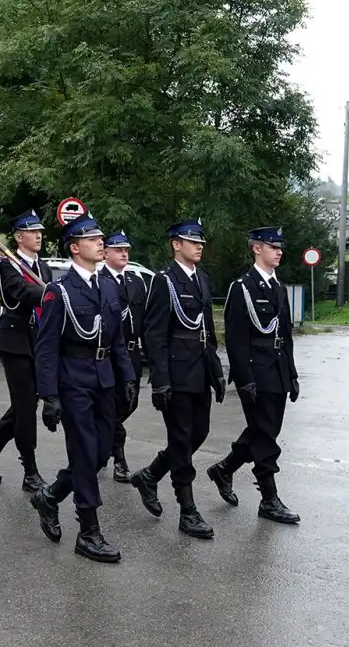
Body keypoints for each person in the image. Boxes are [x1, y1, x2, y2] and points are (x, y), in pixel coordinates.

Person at [29, 215, 136, 564]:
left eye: (100, 238)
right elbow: (46, 347)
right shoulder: (58, 291)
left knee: (101, 453)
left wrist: (128, 377)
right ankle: (88, 532)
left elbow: (117, 339)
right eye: (92, 239)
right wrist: (49, 395)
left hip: (104, 378)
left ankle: (50, 496)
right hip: (73, 380)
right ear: (75, 248)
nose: (100, 243)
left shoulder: (108, 286)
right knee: (85, 452)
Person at [126, 219, 224, 539]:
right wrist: (160, 381)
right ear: (176, 245)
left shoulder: (202, 279)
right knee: (181, 439)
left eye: (201, 242)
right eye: (192, 242)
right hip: (176, 373)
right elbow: (154, 335)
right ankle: (187, 510)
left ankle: (150, 475)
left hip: (200, 371)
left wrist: (216, 371)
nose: (199, 247)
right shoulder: (164, 281)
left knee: (200, 433)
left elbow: (207, 331)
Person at [206, 226, 300, 525]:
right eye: (273, 246)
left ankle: (224, 469)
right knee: (265, 436)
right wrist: (244, 377)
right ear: (256, 249)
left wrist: (292, 374)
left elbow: (285, 334)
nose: (279, 251)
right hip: (257, 370)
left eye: (280, 247)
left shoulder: (278, 287)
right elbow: (236, 338)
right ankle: (269, 499)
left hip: (278, 368)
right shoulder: (243, 287)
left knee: (265, 431)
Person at [0, 210, 54, 490]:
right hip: (16, 341)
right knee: (26, 407)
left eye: (40, 232)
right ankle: (30, 471)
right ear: (19, 237)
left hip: (38, 340)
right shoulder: (8, 265)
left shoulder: (43, 267)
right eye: (32, 232)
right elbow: (19, 292)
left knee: (25, 404)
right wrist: (51, 293)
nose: (39, 236)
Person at [98, 229, 147, 483]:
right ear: (105, 253)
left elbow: (145, 321)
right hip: (109, 355)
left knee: (130, 403)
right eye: (118, 250)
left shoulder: (135, 281)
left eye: (126, 250)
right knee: (112, 406)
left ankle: (102, 438)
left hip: (132, 352)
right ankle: (119, 458)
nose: (124, 254)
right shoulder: (99, 281)